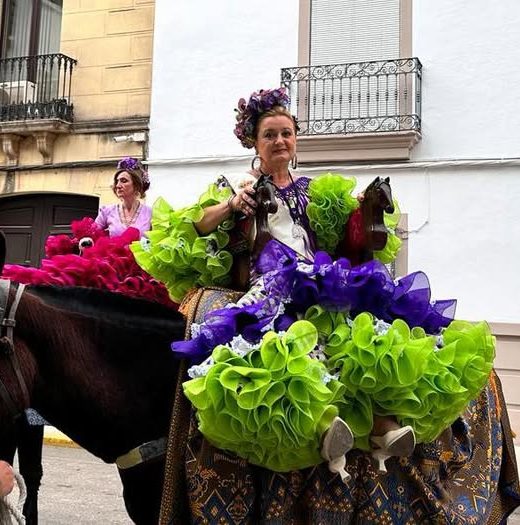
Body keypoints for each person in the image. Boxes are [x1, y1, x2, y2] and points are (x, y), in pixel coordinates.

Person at [132, 87, 517, 524]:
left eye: (286, 134)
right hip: (271, 282)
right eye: (270, 135)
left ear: (295, 140)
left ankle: (384, 424)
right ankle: (324, 426)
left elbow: (346, 241)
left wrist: (365, 210)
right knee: (287, 342)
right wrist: (232, 205)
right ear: (255, 143)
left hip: (318, 275)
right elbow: (196, 225)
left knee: (365, 332)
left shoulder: (316, 191)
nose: (280, 141)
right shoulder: (237, 188)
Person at [95, 157, 152, 238]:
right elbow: (92, 234)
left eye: (124, 181)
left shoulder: (150, 213)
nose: (118, 186)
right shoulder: (107, 211)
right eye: (117, 181)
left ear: (136, 185)